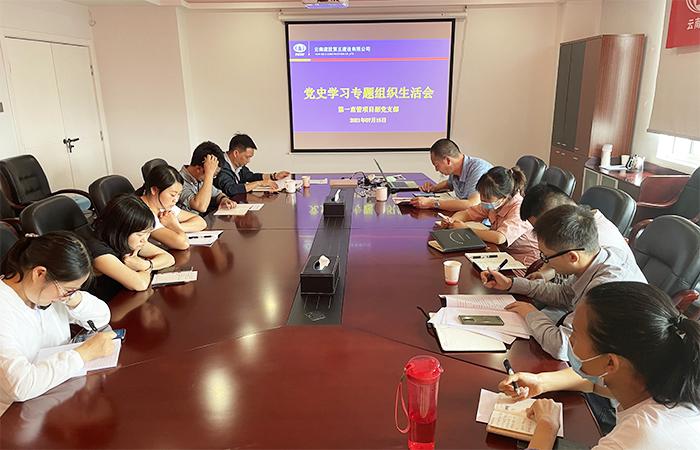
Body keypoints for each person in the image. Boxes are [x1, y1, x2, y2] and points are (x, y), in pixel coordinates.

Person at [498, 282, 700, 450]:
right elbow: (594, 383)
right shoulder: (665, 379)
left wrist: (547, 426)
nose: (570, 340)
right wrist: (540, 381)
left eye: (575, 334)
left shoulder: (634, 438)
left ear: (610, 362)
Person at [481, 205, 646, 360]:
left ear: (572, 257)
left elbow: (563, 347)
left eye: (546, 257)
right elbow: (565, 294)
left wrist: (530, 313)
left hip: (616, 363)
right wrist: (511, 284)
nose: (544, 262)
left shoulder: (605, 288)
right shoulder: (599, 257)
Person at [0, 232, 116, 416]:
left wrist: (72, 298)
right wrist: (83, 353)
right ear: (40, 273)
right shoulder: (5, 308)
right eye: (68, 290)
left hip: (53, 394)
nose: (66, 296)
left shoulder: (46, 295)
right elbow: (20, 386)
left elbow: (102, 317)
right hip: (13, 415)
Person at [519, 184, 633, 280]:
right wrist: (544, 274)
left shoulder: (595, 240)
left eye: (543, 229)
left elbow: (570, 290)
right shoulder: (579, 223)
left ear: (557, 215)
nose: (541, 235)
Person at [81, 194, 175, 299]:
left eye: (148, 233)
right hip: (111, 304)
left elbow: (169, 258)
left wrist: (145, 265)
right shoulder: (97, 251)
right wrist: (145, 269)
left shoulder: (130, 240)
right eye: (140, 234)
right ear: (120, 231)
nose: (144, 240)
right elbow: (140, 284)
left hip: (128, 297)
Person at [440, 166, 539, 266]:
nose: (482, 200)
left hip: (524, 261)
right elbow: (467, 213)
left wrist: (466, 229)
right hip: (503, 253)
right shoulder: (494, 202)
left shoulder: (518, 208)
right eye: (481, 195)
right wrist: (452, 221)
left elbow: (499, 238)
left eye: (487, 198)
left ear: (504, 197)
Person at [410, 138, 492, 211]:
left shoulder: (478, 169)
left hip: (487, 221)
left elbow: (472, 204)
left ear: (448, 160)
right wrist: (433, 188)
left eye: (437, 165)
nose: (436, 170)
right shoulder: (455, 171)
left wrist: (432, 203)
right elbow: (448, 184)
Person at [138, 164, 207, 250]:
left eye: (179, 194)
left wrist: (175, 225)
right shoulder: (143, 212)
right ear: (154, 190)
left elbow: (201, 222)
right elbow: (183, 243)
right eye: (172, 195)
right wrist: (173, 226)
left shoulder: (163, 204)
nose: (176, 200)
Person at [215, 133, 291, 196]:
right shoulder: (220, 165)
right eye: (247, 157)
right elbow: (231, 189)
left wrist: (274, 176)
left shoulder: (237, 165)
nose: (249, 161)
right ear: (236, 153)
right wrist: (259, 183)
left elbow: (250, 176)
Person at [178, 141, 237, 214]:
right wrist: (209, 174)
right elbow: (201, 206)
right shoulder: (178, 181)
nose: (213, 177)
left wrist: (223, 199)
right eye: (213, 175)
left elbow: (218, 194)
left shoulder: (199, 179)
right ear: (199, 169)